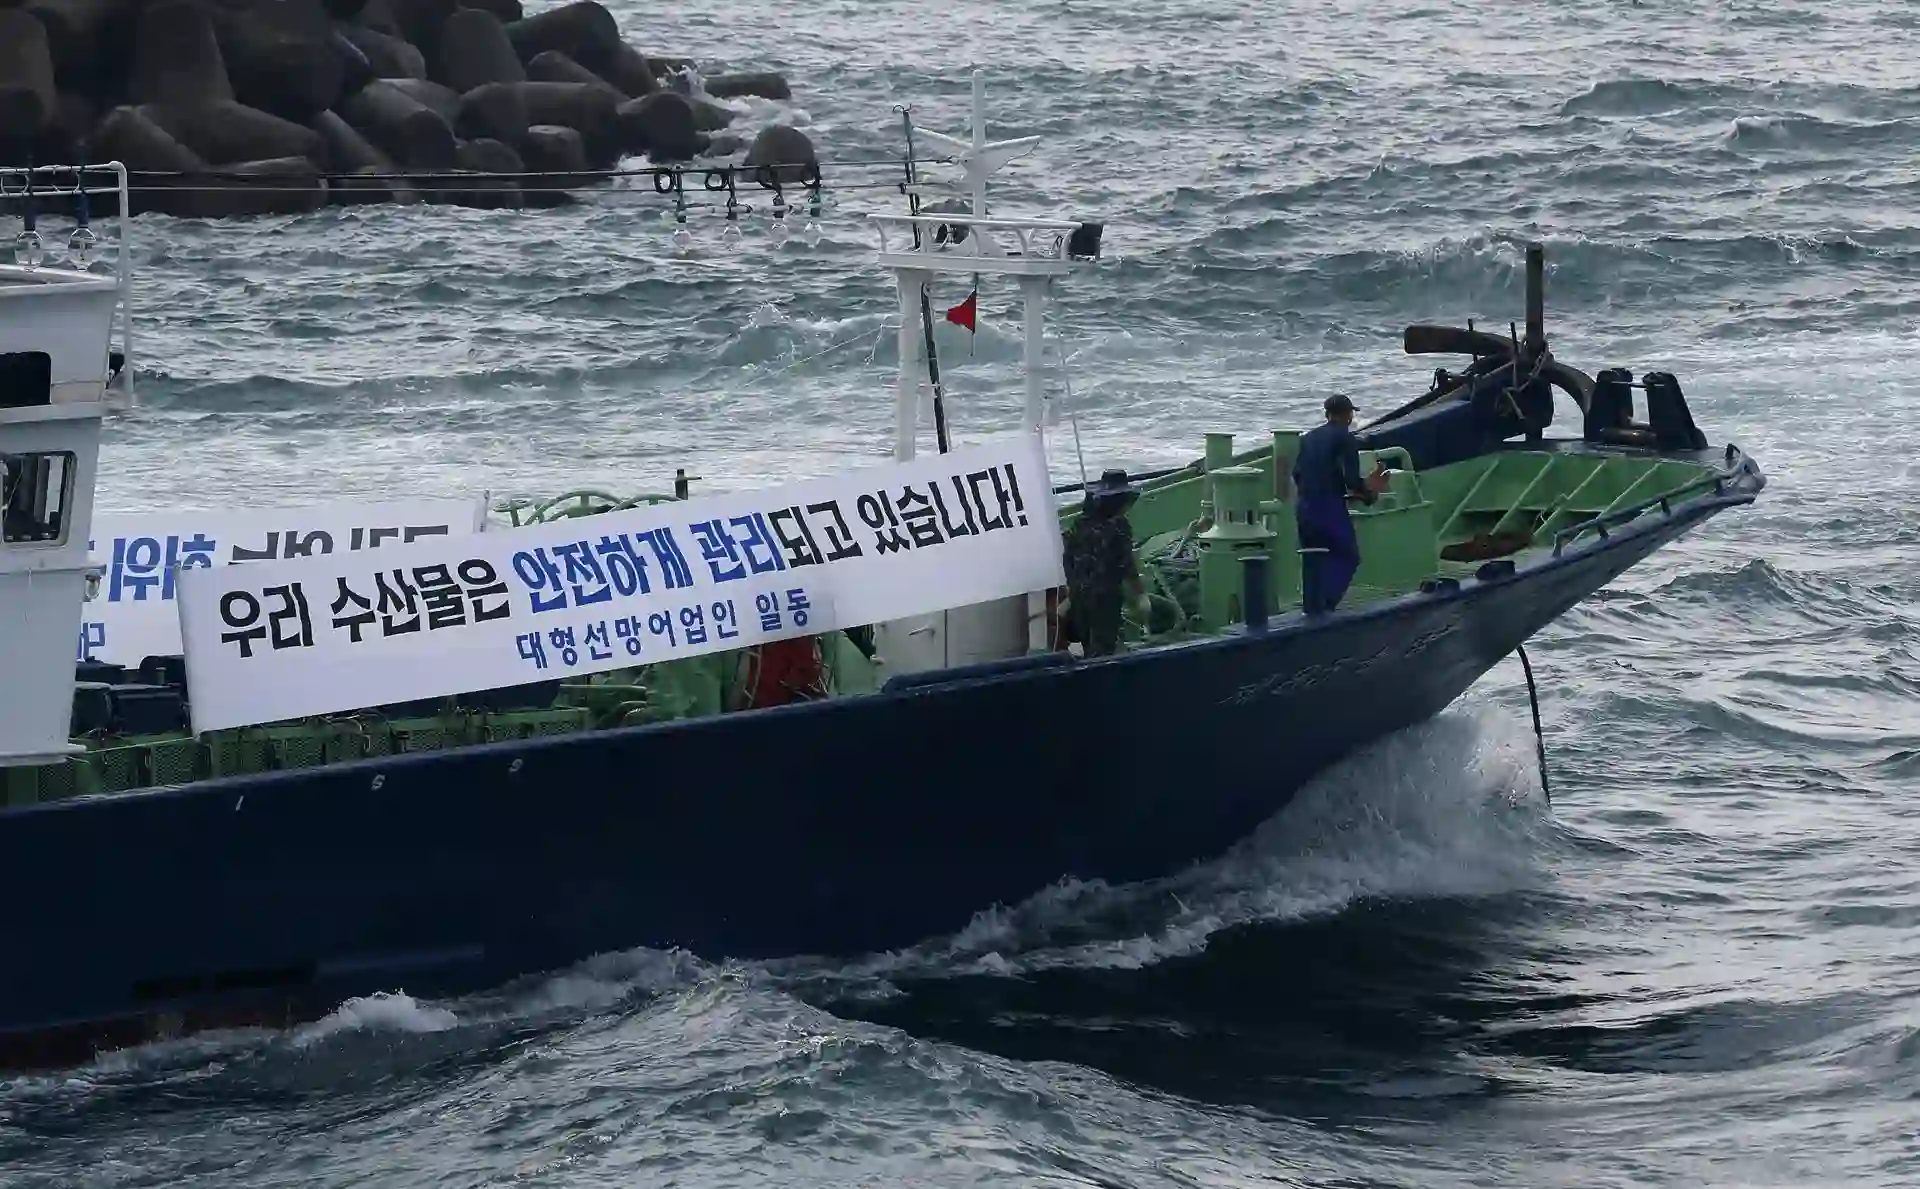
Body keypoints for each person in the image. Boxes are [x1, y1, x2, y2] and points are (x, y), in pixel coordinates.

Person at [1292, 393, 1389, 614]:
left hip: (1304, 507)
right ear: (1347, 415)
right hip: (1328, 509)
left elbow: (1297, 473)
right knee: (1348, 556)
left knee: (1313, 558)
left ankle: (1311, 609)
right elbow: (1352, 480)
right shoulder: (1345, 438)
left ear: (1327, 414)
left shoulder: (1308, 438)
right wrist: (1368, 490)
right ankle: (1326, 606)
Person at [1060, 468, 1147, 657]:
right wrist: (1141, 595)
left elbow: (1067, 557)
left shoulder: (1079, 524)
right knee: (1103, 647)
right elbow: (1126, 564)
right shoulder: (1119, 526)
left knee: (1084, 642)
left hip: (1079, 594)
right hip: (1105, 597)